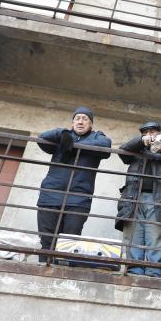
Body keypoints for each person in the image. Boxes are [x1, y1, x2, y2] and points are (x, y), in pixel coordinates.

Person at [115, 121, 161, 277]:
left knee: (155, 237)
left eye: (153, 132)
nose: (150, 135)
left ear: (160, 134)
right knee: (133, 237)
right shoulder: (136, 149)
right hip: (133, 199)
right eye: (146, 133)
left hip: (159, 201)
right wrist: (140, 142)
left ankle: (153, 274)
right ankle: (134, 272)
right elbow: (122, 152)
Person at [36, 107, 111, 255]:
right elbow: (42, 137)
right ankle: (44, 265)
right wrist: (62, 134)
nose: (80, 122)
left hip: (79, 198)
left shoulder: (97, 137)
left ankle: (61, 267)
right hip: (50, 194)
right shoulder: (63, 135)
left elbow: (106, 145)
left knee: (69, 241)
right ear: (72, 123)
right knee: (47, 239)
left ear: (91, 125)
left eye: (85, 119)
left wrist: (75, 146)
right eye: (77, 118)